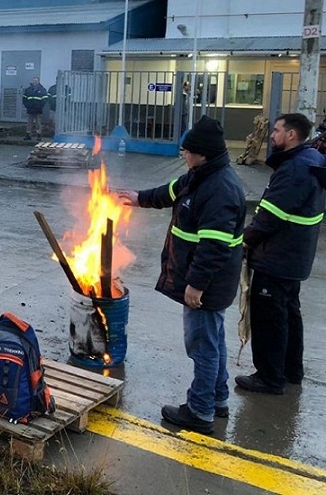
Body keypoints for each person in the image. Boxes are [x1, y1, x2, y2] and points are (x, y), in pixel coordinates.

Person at [118, 115, 246, 434]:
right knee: (213, 340)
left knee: (201, 345)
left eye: (186, 151)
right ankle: (217, 399)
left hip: (208, 285)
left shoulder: (219, 188)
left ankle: (200, 411)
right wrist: (138, 198)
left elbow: (214, 246)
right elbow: (171, 192)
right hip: (209, 282)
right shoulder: (200, 175)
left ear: (200, 153)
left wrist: (196, 285)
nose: (183, 156)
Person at [237, 113, 326, 394]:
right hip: (294, 257)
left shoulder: (294, 169)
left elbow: (269, 217)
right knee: (289, 314)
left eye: (276, 131)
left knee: (269, 320)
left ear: (291, 135)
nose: (271, 135)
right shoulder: (311, 161)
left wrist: (245, 240)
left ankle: (269, 377)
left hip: (277, 257)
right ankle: (290, 371)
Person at [23, 76, 48, 141]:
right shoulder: (28, 90)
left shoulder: (42, 90)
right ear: (32, 81)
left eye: (36, 81)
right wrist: (27, 106)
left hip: (38, 109)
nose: (34, 82)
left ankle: (39, 135)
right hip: (30, 109)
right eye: (33, 80)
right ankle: (28, 135)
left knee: (38, 123)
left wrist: (40, 106)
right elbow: (24, 99)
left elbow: (45, 99)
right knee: (29, 123)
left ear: (38, 81)